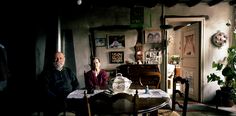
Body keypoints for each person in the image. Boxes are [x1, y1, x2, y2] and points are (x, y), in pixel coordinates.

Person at [38, 52, 79, 116]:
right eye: (56, 58)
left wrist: (72, 95)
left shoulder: (69, 71)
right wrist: (56, 98)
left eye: (60, 58)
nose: (58, 60)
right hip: (54, 101)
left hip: (70, 99)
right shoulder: (46, 73)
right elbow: (45, 89)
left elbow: (76, 85)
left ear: (64, 59)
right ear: (52, 60)